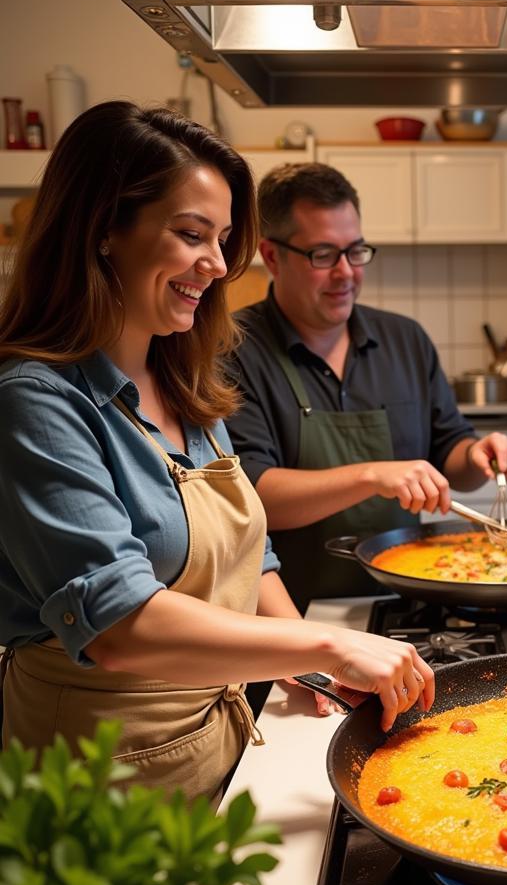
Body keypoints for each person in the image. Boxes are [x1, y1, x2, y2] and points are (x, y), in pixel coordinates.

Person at [0, 102, 434, 804]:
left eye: (224, 238)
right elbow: (120, 623)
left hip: (217, 748)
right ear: (104, 229)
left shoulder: (186, 382)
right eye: (191, 234)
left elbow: (248, 552)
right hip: (95, 784)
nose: (216, 263)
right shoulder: (37, 402)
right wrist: (326, 644)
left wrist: (307, 659)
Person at [225, 162, 507, 617]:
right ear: (271, 256)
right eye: (323, 255)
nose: (346, 273)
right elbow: (251, 495)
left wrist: (480, 453)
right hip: (289, 617)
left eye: (355, 251)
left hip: (407, 604)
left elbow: (451, 454)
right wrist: (373, 475)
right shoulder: (235, 350)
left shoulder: (406, 341)